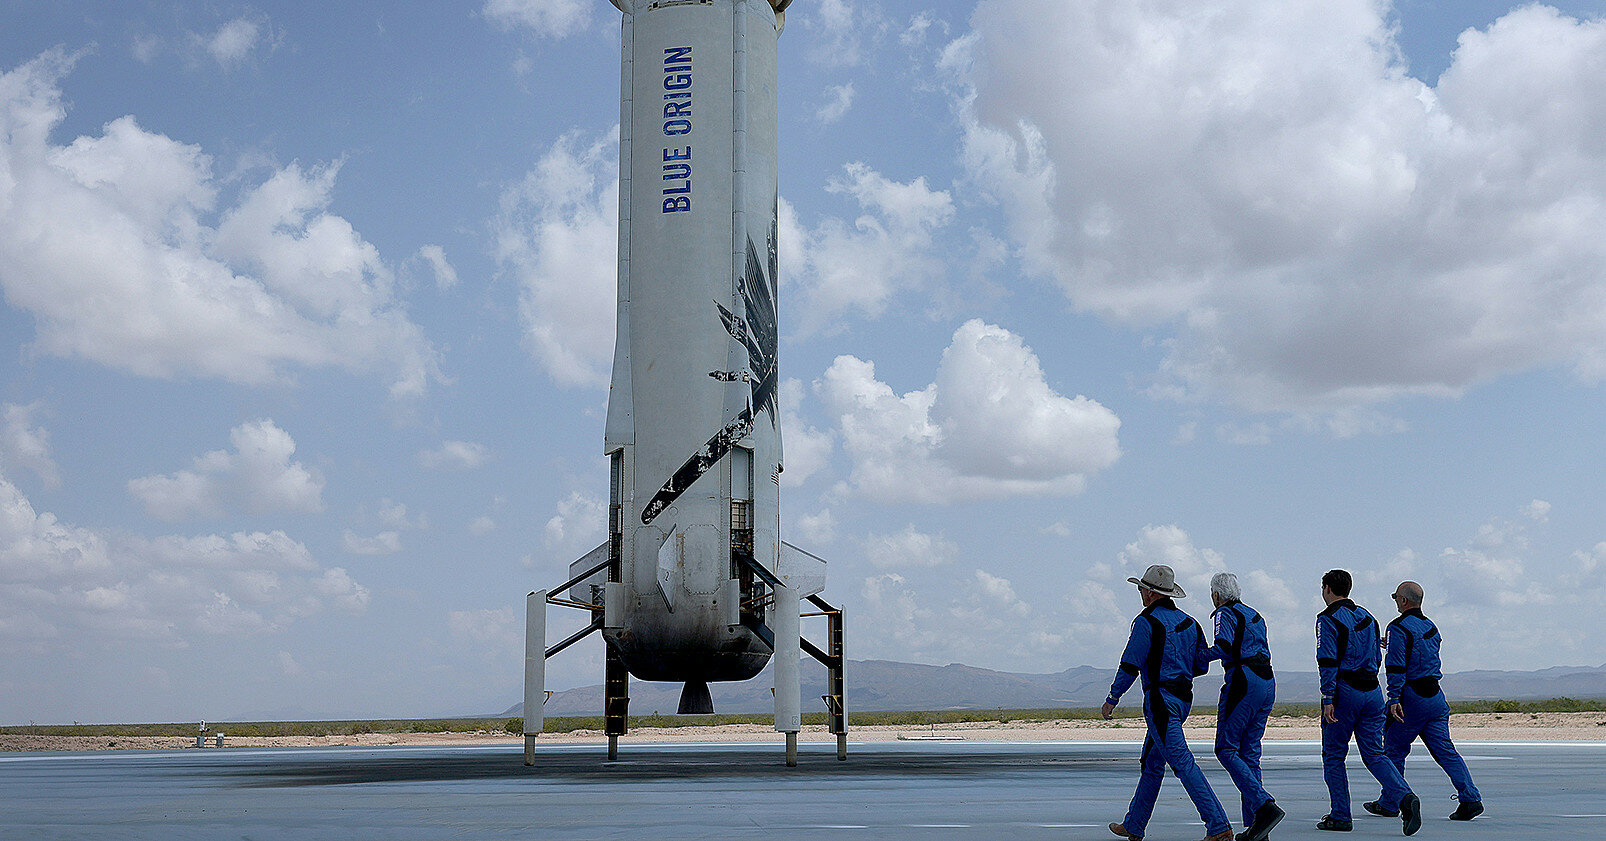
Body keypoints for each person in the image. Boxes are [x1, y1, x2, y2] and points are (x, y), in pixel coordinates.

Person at [1103, 564, 1234, 841]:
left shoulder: (1146, 622)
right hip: (1182, 700)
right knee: (1152, 763)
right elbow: (1200, 666)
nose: (1140, 593)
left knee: (1182, 763)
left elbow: (1130, 664)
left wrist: (1113, 698)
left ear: (1150, 593)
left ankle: (1218, 825)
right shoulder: (1190, 623)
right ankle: (1134, 825)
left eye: (1141, 589)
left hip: (1159, 702)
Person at [1363, 581, 1484, 822]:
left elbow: (1396, 667)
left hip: (1413, 699)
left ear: (1404, 601)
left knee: (1393, 750)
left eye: (1396, 597)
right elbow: (1423, 653)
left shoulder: (1398, 628)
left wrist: (1394, 697)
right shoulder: (1430, 626)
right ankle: (1470, 798)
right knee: (1446, 752)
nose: (1396, 601)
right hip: (1436, 698)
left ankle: (1390, 801)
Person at [1316, 569, 1421, 835]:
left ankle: (1340, 815)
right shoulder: (1368, 617)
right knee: (1375, 753)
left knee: (1334, 756)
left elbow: (1327, 661)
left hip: (1345, 693)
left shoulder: (1327, 619)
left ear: (1327, 588)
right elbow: (1377, 657)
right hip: (1372, 691)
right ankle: (1405, 797)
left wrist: (1328, 697)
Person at [1204, 573, 1284, 841]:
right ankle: (1256, 827)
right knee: (1250, 753)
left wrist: (1195, 658)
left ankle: (1264, 806)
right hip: (1267, 681)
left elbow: (1223, 647)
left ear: (1216, 595)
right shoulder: (1255, 615)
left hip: (1243, 681)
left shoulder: (1223, 614)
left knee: (1225, 748)